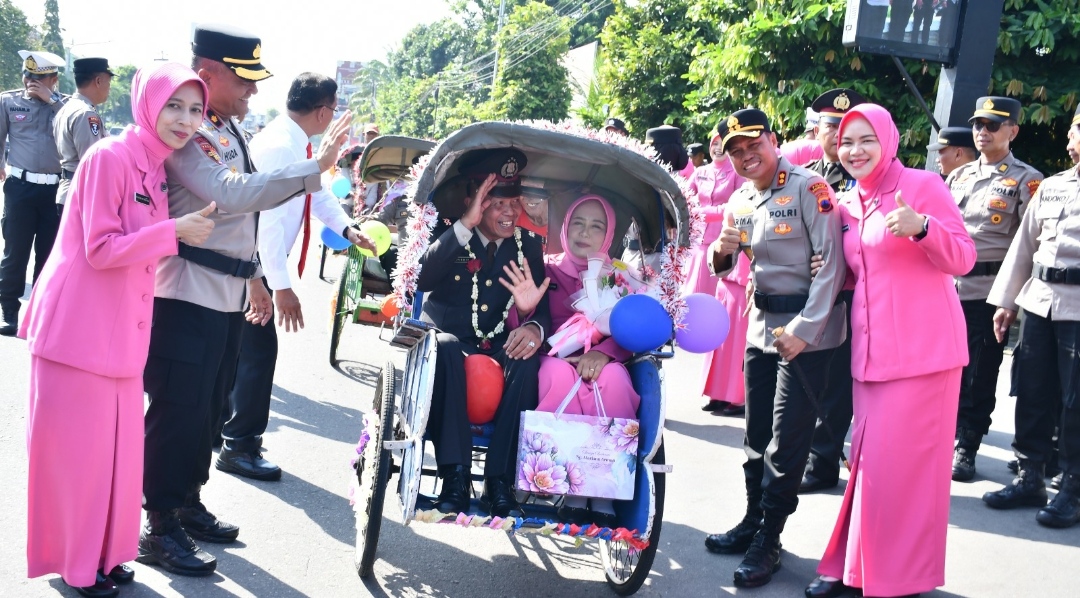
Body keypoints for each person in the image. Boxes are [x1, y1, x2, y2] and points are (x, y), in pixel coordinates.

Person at [139, 24, 353, 577]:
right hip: (187, 291)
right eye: (244, 78)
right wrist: (315, 169)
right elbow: (231, 194)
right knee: (178, 412)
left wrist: (256, 274)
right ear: (208, 73)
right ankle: (158, 526)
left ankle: (186, 502)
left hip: (228, 291)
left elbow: (247, 217)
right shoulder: (189, 133)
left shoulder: (227, 128)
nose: (254, 91)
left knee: (209, 410)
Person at [21, 62, 214, 598]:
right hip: (78, 334)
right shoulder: (110, 156)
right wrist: (173, 232)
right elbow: (100, 247)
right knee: (80, 462)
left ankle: (107, 555)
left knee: (117, 458)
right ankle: (77, 566)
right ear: (147, 104)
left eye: (195, 109)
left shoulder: (155, 166)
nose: (185, 119)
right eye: (173, 105)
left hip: (119, 337)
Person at [805, 103, 976, 598]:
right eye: (846, 141)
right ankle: (857, 566)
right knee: (869, 461)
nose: (854, 151)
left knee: (905, 473)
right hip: (872, 354)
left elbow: (962, 257)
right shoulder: (847, 202)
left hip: (926, 357)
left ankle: (896, 577)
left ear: (888, 140)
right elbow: (863, 271)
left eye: (866, 140)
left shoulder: (921, 186)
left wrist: (923, 227)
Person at [705, 109, 846, 589]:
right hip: (761, 328)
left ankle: (770, 538)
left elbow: (833, 268)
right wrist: (722, 250)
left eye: (753, 145)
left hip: (808, 335)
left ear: (773, 139)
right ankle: (751, 520)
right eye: (736, 152)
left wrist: (804, 330)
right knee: (756, 436)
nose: (746, 157)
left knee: (787, 445)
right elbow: (725, 264)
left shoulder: (810, 189)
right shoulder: (740, 200)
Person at [219, 72, 374, 482]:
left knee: (237, 350)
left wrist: (347, 229)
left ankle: (224, 429)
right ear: (323, 112)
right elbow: (265, 224)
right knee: (256, 354)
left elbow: (317, 193)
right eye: (335, 110)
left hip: (256, 265)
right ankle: (239, 444)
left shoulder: (293, 142)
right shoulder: (280, 146)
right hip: (253, 265)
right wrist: (280, 287)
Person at [416, 148, 550, 518]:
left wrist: (533, 324)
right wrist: (466, 224)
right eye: (495, 201)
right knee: (442, 347)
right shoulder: (449, 234)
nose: (509, 212)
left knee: (525, 358)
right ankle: (455, 477)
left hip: (495, 345)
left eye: (513, 202)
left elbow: (542, 308)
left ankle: (499, 481)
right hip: (449, 345)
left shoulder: (529, 246)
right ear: (472, 199)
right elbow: (421, 279)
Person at [982, 103, 1080, 528]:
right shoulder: (1054, 186)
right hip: (1039, 300)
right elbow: (1024, 246)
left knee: (1075, 402)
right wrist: (1006, 302)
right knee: (1033, 389)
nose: (1077, 137)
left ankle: (1073, 486)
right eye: (1077, 128)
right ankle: (1030, 476)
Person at [527, 194, 641, 524]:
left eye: (596, 226)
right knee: (560, 380)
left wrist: (604, 353)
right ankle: (567, 485)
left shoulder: (620, 277)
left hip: (605, 359)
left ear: (608, 235)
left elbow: (633, 332)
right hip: (551, 357)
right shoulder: (544, 269)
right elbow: (523, 321)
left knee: (616, 382)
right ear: (564, 227)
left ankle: (604, 489)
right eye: (577, 223)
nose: (584, 232)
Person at [946, 97, 1043, 482]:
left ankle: (966, 445)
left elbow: (1031, 245)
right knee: (944, 370)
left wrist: (1014, 300)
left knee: (979, 374)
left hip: (988, 292)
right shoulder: (959, 176)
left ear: (1012, 131)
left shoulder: (1026, 179)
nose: (982, 132)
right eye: (977, 125)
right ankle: (943, 436)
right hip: (948, 289)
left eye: (992, 125)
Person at [799, 88, 866, 494]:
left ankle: (822, 461)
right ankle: (801, 452)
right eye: (831, 126)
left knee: (836, 381)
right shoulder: (801, 175)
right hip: (802, 290)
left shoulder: (864, 175)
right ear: (818, 129)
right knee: (802, 378)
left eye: (846, 128)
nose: (837, 134)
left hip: (846, 291)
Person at [0, 50, 68, 336]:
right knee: (15, 253)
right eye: (28, 77)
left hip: (54, 190)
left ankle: (39, 317)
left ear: (53, 80)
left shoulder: (67, 107)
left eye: (40, 79)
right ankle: (8, 312)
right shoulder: (8, 101)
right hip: (20, 187)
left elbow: (80, 132)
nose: (32, 83)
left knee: (48, 256)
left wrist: (51, 101)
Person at [693, 131, 749, 417]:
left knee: (738, 338)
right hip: (723, 267)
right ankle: (716, 393)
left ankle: (737, 398)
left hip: (745, 273)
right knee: (721, 336)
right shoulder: (737, 191)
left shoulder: (760, 187)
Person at [54, 57, 114, 214]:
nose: (109, 88)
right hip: (82, 195)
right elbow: (93, 163)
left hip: (70, 190)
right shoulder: (86, 114)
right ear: (99, 81)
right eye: (109, 82)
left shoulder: (68, 108)